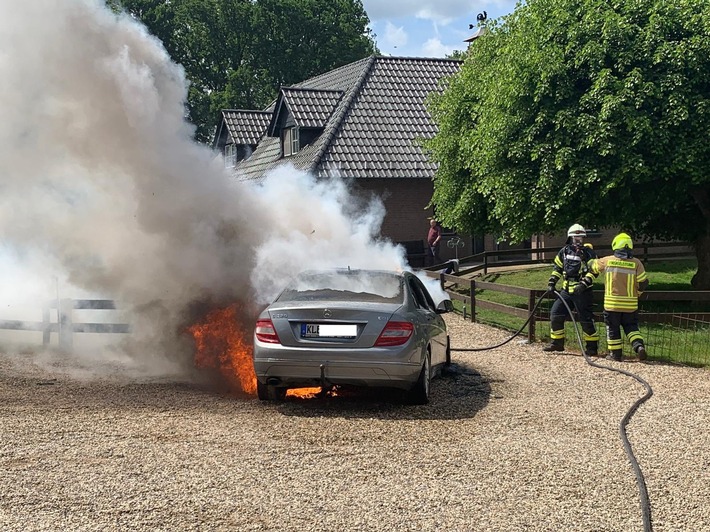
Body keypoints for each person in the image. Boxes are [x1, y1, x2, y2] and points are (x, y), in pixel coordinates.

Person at [588, 233, 649, 362]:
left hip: (612, 305)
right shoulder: (636, 263)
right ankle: (638, 347)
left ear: (615, 245)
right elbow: (644, 283)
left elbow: (592, 266)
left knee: (613, 328)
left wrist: (589, 256)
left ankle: (615, 355)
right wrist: (638, 293)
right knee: (632, 327)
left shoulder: (608, 260)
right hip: (631, 305)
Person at [544, 223, 600, 356]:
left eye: (580, 238)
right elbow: (557, 268)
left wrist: (584, 284)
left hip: (583, 292)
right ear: (570, 238)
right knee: (555, 314)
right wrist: (552, 282)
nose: (578, 241)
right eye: (575, 239)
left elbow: (594, 271)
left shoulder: (589, 253)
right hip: (566, 291)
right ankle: (557, 343)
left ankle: (592, 348)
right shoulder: (564, 251)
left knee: (585, 319)